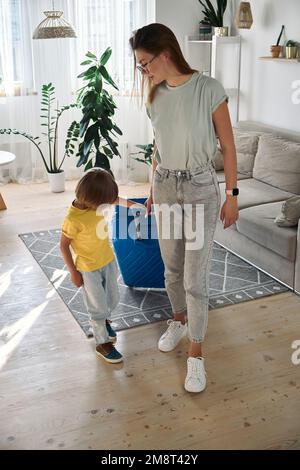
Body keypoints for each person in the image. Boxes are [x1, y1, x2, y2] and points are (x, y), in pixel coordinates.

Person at [130, 23, 239, 392]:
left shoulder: (209, 89)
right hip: (164, 186)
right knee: (172, 268)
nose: (144, 71)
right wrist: (151, 188)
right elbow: (158, 147)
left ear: (165, 53)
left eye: (145, 63)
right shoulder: (155, 95)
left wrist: (233, 195)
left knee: (195, 276)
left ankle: (196, 354)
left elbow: (227, 146)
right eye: (140, 66)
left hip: (199, 187)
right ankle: (178, 320)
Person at [60, 168, 145, 364]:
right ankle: (102, 343)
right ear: (93, 200)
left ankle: (105, 321)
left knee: (112, 297)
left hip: (107, 259)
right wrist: (73, 272)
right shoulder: (73, 219)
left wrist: (133, 206)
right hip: (88, 268)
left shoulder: (95, 202)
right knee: (97, 306)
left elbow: (115, 199)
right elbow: (63, 245)